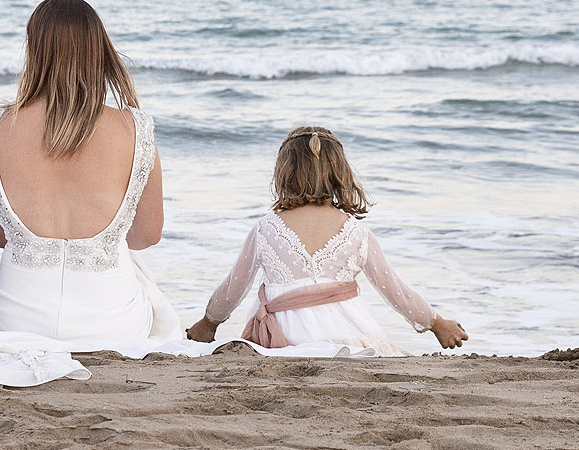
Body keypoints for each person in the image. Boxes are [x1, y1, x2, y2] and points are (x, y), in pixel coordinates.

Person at [0, 0, 181, 346]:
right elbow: (147, 235)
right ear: (99, 52)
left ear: (34, 50)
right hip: (112, 322)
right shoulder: (134, 129)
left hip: (18, 319)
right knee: (140, 279)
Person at [186, 125, 469, 355]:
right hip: (346, 332)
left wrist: (209, 322)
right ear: (340, 175)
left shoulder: (266, 229)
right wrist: (436, 323)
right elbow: (393, 289)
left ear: (284, 174)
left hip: (283, 337)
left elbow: (234, 286)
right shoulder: (356, 232)